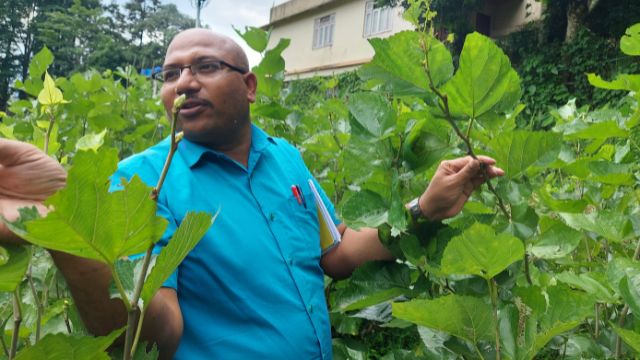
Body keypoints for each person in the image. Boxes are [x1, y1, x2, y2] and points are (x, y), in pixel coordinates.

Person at [0, 28, 504, 359]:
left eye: (205, 67)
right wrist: (64, 228)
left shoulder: (285, 157)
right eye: (170, 74)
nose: (183, 84)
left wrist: (424, 209)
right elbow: (151, 333)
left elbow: (338, 251)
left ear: (250, 86)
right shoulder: (142, 182)